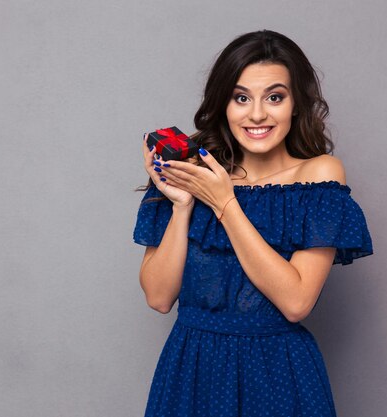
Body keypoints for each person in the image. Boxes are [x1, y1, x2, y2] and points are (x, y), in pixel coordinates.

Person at [133, 29, 374, 417]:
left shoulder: (318, 177)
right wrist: (181, 205)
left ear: (296, 104)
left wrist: (225, 203)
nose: (257, 114)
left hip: (277, 372)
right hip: (191, 370)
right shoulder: (196, 173)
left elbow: (296, 302)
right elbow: (159, 298)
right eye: (241, 98)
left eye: (274, 97)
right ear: (223, 104)